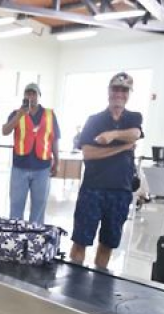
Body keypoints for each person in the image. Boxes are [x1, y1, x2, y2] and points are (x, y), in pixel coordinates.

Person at [69, 72, 144, 269]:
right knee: (80, 242)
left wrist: (112, 135)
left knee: (108, 244)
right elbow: (88, 154)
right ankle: (73, 287)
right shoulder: (94, 120)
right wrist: (123, 147)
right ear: (109, 91)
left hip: (120, 190)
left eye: (124, 90)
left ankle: (97, 291)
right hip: (93, 189)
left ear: (128, 94)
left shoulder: (134, 117)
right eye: (115, 89)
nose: (119, 93)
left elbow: (135, 134)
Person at [1, 83, 60, 225]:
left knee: (39, 208)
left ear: (39, 96)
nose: (31, 97)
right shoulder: (16, 113)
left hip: (42, 168)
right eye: (28, 93)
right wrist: (20, 115)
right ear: (24, 96)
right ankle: (15, 240)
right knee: (16, 207)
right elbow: (5, 131)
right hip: (20, 167)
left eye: (34, 94)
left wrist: (57, 162)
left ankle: (35, 241)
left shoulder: (50, 115)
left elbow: (54, 138)